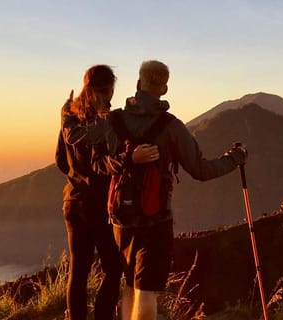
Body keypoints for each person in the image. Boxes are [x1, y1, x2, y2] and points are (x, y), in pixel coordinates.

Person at [100, 60, 247, 320]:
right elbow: (201, 170)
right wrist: (235, 158)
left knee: (129, 284)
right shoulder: (170, 127)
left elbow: (99, 163)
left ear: (137, 84)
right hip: (155, 221)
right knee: (146, 290)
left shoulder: (113, 121)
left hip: (119, 219)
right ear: (165, 89)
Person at [55, 65, 160, 320]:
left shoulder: (70, 115)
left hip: (72, 200)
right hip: (99, 204)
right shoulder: (106, 121)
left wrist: (76, 176)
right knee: (113, 268)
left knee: (78, 271)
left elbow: (60, 160)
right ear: (110, 87)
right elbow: (103, 163)